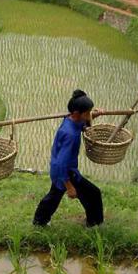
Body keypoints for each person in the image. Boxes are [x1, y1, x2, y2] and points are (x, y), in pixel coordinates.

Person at [33, 89, 104, 227]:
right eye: (87, 112)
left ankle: (39, 221)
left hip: (58, 168)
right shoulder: (70, 135)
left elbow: (82, 124)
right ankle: (95, 224)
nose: (89, 114)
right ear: (77, 113)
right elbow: (61, 164)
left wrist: (94, 116)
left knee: (54, 196)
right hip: (65, 171)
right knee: (93, 194)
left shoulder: (70, 120)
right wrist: (69, 187)